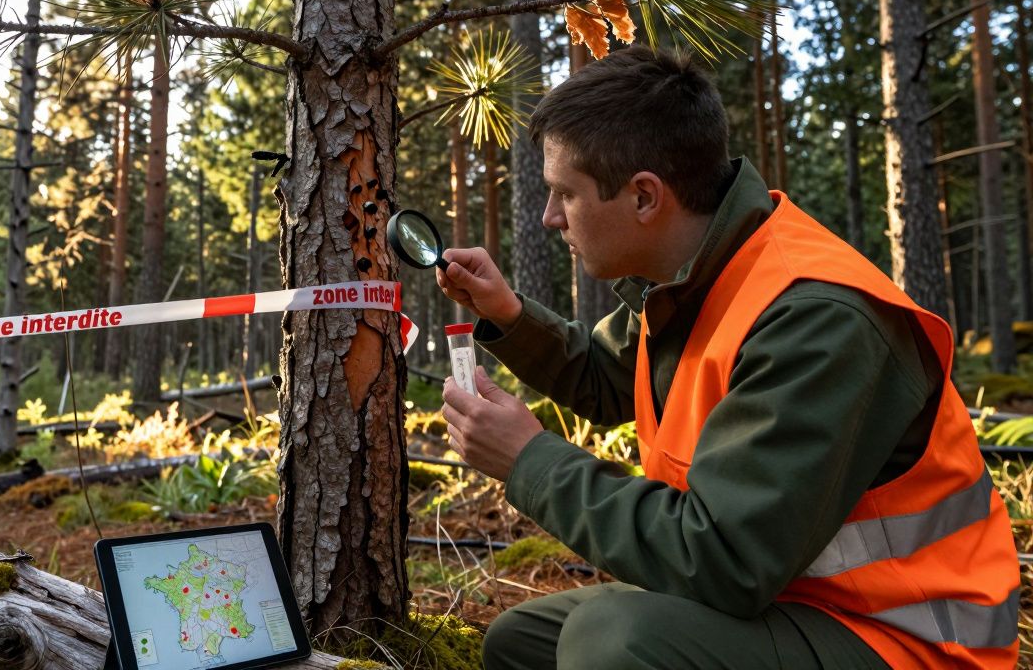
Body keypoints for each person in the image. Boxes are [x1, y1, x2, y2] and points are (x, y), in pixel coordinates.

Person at [436, 46, 1020, 670]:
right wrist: (508, 314)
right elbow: (605, 379)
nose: (550, 218)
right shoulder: (697, 276)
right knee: (522, 642)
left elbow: (721, 560)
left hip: (908, 638)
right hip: (790, 601)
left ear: (644, 197)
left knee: (610, 640)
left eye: (564, 194)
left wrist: (529, 461)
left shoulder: (814, 318)